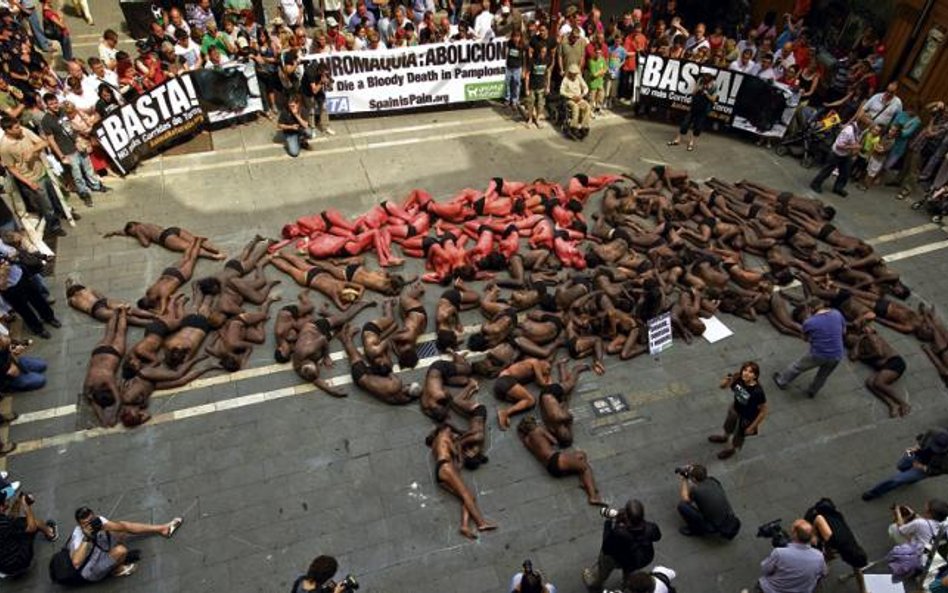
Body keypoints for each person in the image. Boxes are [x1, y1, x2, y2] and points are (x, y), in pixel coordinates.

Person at [68, 507, 183, 582]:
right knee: (121, 551)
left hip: (99, 550)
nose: (91, 524)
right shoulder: (78, 536)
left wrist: (106, 526)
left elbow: (123, 528)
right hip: (89, 571)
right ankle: (116, 570)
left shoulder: (98, 521)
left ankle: (163, 529)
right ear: (79, 525)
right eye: (86, 523)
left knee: (122, 528)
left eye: (92, 519)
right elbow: (76, 562)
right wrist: (86, 538)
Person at [0, 117, 67, 237]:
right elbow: (11, 168)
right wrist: (29, 183)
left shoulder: (24, 131)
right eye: (16, 128)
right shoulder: (4, 147)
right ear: (8, 130)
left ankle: (64, 213)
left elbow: (43, 142)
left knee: (55, 197)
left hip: (42, 171)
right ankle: (54, 226)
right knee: (46, 205)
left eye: (19, 125)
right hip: (31, 178)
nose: (19, 128)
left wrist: (32, 150)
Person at [40, 93, 107, 206]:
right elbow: (51, 140)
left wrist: (80, 139)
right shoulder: (46, 120)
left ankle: (96, 185)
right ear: (46, 105)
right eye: (51, 104)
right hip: (66, 150)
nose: (55, 105)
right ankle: (84, 193)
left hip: (78, 144)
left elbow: (71, 124)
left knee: (88, 168)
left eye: (55, 102)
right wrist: (61, 156)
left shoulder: (62, 110)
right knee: (77, 175)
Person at [581, 499, 662, 590]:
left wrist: (609, 522)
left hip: (618, 558)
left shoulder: (619, 532)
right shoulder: (651, 527)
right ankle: (627, 586)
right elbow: (657, 537)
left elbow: (606, 547)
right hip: (638, 560)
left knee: (604, 564)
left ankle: (595, 583)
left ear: (627, 517)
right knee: (629, 572)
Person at [773, 298, 845, 398]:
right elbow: (843, 332)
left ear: (810, 309)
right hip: (837, 354)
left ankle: (782, 381)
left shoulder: (810, 322)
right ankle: (812, 391)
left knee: (798, 367)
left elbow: (805, 338)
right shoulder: (837, 314)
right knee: (823, 375)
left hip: (819, 353)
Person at [862, 429, 948, 500]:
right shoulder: (934, 431)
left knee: (897, 479)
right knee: (901, 465)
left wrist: (923, 467)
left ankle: (875, 492)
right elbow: (921, 438)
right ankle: (910, 477)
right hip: (915, 454)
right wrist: (917, 447)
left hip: (924, 467)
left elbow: (940, 471)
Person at [709, 361, 768, 459]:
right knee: (728, 425)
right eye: (745, 370)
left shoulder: (757, 392)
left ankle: (731, 449)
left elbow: (763, 411)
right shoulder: (738, 378)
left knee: (739, 435)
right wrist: (726, 381)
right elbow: (722, 387)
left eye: (750, 372)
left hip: (747, 416)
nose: (746, 373)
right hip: (735, 409)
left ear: (755, 376)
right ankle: (724, 437)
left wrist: (752, 427)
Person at [757, 519, 827, 593]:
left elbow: (765, 569)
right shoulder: (819, 556)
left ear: (795, 534)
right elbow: (824, 573)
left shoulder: (779, 553)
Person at [809, 113, 870, 198]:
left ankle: (838, 188)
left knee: (845, 172)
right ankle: (815, 184)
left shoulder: (859, 130)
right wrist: (853, 146)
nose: (867, 128)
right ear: (862, 124)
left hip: (846, 154)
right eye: (866, 126)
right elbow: (839, 145)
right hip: (836, 153)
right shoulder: (848, 132)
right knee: (827, 170)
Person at [0, 491, 58, 577]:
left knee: (19, 523)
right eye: (5, 500)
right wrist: (27, 506)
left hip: (2, 567)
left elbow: (12, 519)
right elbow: (32, 527)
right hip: (18, 562)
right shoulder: (5, 523)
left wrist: (18, 502)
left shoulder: (5, 522)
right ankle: (51, 533)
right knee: (35, 522)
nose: (7, 500)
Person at [676, 463, 740, 538]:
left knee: (682, 506)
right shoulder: (713, 480)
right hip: (728, 517)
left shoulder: (696, 490)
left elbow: (685, 499)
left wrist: (684, 479)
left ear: (694, 479)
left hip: (714, 526)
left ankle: (695, 530)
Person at [667, 72, 717, 151]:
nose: (705, 80)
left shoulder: (714, 85)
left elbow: (714, 100)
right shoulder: (700, 80)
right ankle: (677, 139)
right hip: (694, 106)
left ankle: (691, 142)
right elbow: (693, 93)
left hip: (703, 109)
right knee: (685, 123)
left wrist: (706, 93)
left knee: (698, 126)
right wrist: (699, 88)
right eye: (705, 77)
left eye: (708, 78)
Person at [561, 64, 591, 140]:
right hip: (570, 99)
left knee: (588, 106)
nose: (574, 75)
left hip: (579, 98)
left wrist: (582, 95)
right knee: (575, 107)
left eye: (575, 73)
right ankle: (573, 127)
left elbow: (586, 87)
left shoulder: (579, 78)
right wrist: (571, 96)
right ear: (570, 73)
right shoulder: (566, 79)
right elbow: (561, 91)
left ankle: (584, 127)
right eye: (573, 74)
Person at [278, 93, 311, 157]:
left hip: (300, 130)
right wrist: (291, 127)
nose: (290, 108)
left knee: (309, 132)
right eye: (289, 106)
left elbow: (305, 125)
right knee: (294, 153)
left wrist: (296, 115)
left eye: (293, 106)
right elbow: (279, 125)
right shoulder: (285, 111)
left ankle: (301, 140)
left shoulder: (303, 110)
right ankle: (294, 142)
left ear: (298, 104)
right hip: (290, 133)